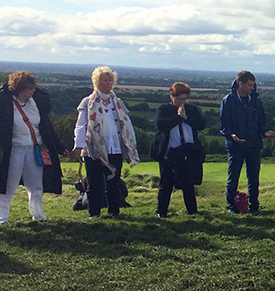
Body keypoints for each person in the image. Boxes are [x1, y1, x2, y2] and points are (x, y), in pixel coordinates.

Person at [0, 71, 69, 223]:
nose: (33, 91)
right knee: (8, 185)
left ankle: (38, 215)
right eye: (29, 88)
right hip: (14, 148)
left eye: (33, 88)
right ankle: (2, 217)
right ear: (19, 88)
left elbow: (47, 128)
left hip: (35, 148)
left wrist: (60, 147)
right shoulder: (4, 102)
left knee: (36, 184)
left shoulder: (36, 103)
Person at [73, 66, 139, 218]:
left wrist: (130, 147)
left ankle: (114, 212)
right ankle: (94, 214)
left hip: (115, 148)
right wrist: (79, 145)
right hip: (93, 150)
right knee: (94, 184)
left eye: (110, 80)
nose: (108, 83)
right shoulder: (87, 102)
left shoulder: (118, 102)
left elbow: (127, 126)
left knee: (114, 183)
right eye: (104, 80)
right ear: (97, 82)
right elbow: (81, 126)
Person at [219, 71, 275, 213]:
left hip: (254, 145)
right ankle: (231, 206)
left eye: (253, 84)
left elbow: (261, 121)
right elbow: (224, 124)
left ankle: (254, 206)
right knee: (233, 178)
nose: (252, 87)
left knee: (254, 178)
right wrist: (232, 135)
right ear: (240, 84)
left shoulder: (256, 100)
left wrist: (265, 131)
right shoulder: (228, 100)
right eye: (249, 85)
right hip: (235, 146)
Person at [151, 82, 207, 218]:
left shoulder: (192, 110)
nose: (182, 102)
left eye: (184, 99)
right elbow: (161, 125)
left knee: (188, 184)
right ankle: (161, 212)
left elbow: (201, 125)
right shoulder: (163, 109)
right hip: (170, 152)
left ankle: (192, 211)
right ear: (172, 96)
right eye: (179, 99)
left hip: (188, 151)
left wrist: (186, 118)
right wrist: (178, 117)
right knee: (166, 183)